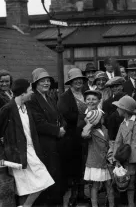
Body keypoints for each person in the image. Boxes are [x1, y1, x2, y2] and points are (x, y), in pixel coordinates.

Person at [0, 78, 54, 207]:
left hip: (31, 150)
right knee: (39, 182)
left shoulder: (26, 107)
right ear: (22, 93)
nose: (32, 93)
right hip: (18, 154)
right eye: (30, 90)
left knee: (35, 185)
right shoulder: (7, 109)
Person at [27, 68, 66, 206]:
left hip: (55, 143)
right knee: (47, 176)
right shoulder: (32, 100)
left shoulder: (50, 97)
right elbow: (38, 123)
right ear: (35, 83)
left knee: (55, 175)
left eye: (48, 80)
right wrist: (57, 130)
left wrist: (62, 127)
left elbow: (59, 116)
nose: (46, 83)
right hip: (43, 144)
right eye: (42, 81)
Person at [57, 68, 89, 206]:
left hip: (87, 136)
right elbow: (65, 115)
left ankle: (82, 193)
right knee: (74, 167)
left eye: (80, 79)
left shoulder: (86, 93)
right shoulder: (64, 97)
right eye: (75, 80)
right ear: (70, 82)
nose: (78, 81)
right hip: (72, 137)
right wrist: (84, 118)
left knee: (85, 165)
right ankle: (73, 196)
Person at [82, 109, 114, 207]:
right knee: (95, 185)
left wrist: (111, 148)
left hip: (106, 161)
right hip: (96, 162)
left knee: (109, 185)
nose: (103, 118)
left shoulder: (104, 128)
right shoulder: (90, 131)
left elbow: (108, 141)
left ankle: (111, 205)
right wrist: (89, 123)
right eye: (101, 117)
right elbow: (84, 134)